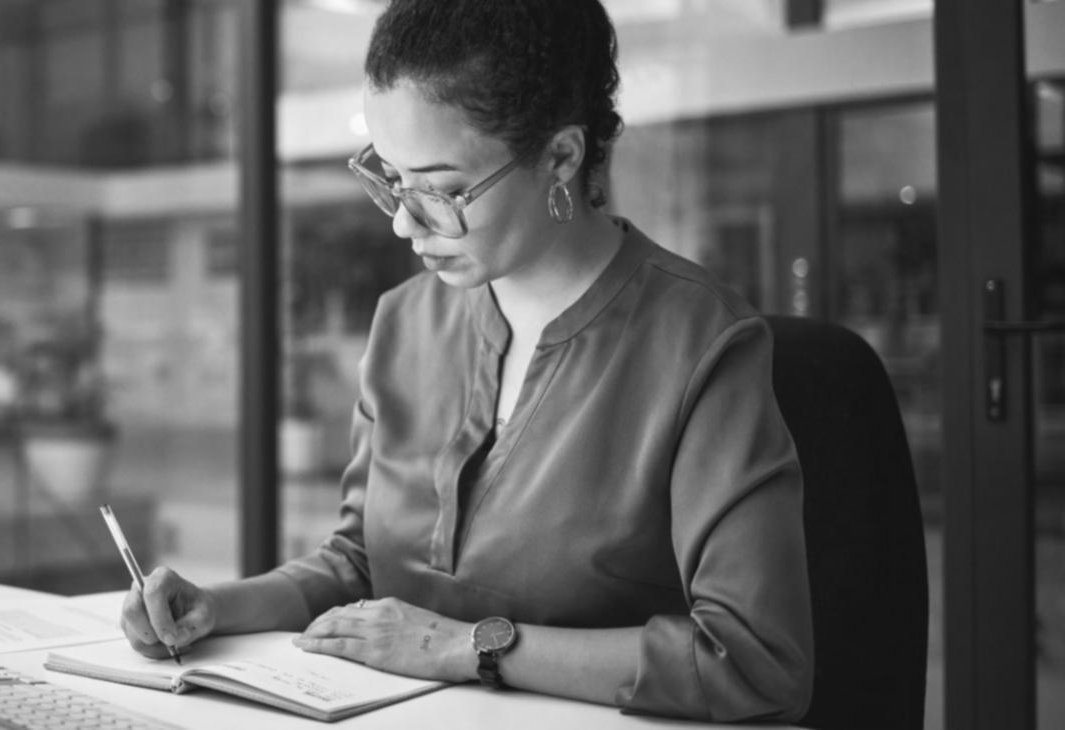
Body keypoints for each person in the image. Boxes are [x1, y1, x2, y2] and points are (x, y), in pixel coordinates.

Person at [120, 0, 813, 722]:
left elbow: (753, 661)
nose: (402, 221)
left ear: (562, 157)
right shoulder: (405, 320)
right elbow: (359, 566)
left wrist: (470, 647)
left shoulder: (699, 343)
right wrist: (215, 606)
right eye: (389, 177)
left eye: (444, 189)